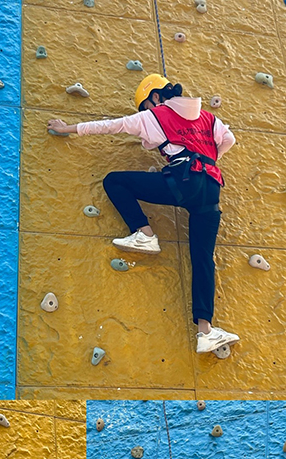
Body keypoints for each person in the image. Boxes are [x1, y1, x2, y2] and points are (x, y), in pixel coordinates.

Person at [47, 73, 239, 356]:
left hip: (183, 181)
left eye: (145, 105)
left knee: (115, 181)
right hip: (211, 188)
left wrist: (67, 129)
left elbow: (111, 126)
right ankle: (205, 331)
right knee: (202, 259)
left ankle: (144, 233)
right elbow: (229, 139)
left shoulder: (155, 115)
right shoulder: (209, 119)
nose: (145, 111)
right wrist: (207, 161)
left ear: (155, 97)